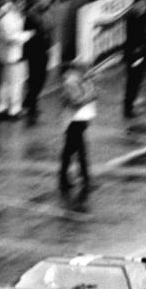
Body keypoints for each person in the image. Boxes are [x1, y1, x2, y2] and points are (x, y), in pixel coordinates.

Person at [58, 60, 96, 201]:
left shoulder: (81, 80)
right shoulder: (71, 82)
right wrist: (90, 94)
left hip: (80, 119)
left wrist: (89, 85)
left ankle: (64, 179)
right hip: (74, 120)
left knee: (70, 150)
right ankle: (85, 180)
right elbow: (75, 101)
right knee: (80, 151)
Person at [123, 0, 146, 118]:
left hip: (144, 51)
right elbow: (133, 37)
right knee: (133, 79)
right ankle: (128, 106)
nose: (145, 6)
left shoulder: (144, 15)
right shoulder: (133, 17)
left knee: (138, 79)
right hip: (135, 53)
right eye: (143, 3)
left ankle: (132, 103)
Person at [22, 0, 51, 125]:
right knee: (35, 78)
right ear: (38, 0)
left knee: (42, 77)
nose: (47, 1)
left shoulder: (47, 12)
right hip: (34, 51)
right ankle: (31, 106)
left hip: (44, 50)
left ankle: (29, 101)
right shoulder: (31, 15)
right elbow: (30, 34)